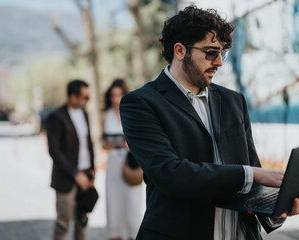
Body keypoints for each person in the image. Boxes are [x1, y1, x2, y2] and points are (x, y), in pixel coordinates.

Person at [119, 5, 299, 240]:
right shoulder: (140, 103)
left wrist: (279, 207)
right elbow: (170, 173)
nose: (219, 62)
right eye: (211, 52)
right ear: (180, 50)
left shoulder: (234, 101)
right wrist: (252, 174)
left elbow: (251, 169)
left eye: (222, 53)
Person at [46, 80, 95, 240]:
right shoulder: (56, 117)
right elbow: (54, 151)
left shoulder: (84, 114)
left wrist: (92, 170)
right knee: (63, 224)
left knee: (81, 223)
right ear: (73, 97)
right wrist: (75, 173)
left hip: (86, 175)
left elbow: (88, 143)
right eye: (85, 97)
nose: (88, 100)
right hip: (66, 179)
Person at [102, 79, 143, 240]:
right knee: (114, 207)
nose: (116, 99)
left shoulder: (134, 114)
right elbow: (101, 142)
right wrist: (107, 144)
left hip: (130, 164)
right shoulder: (105, 115)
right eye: (113, 95)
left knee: (133, 207)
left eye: (119, 95)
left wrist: (129, 144)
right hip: (112, 165)